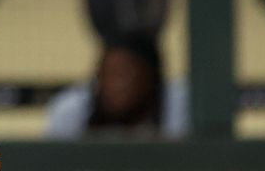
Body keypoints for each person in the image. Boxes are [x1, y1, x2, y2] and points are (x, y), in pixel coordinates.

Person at [40, 37, 189, 138]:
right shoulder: (71, 110)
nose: (115, 84)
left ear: (150, 78)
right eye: (106, 74)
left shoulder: (179, 105)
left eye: (124, 74)